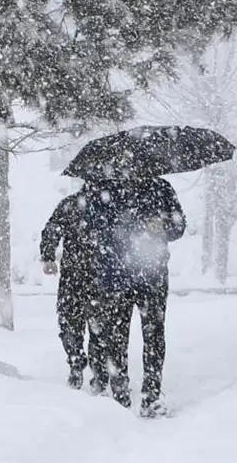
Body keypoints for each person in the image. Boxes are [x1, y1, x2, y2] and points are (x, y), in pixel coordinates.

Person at [86, 176, 185, 418]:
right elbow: (91, 227)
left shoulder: (161, 188)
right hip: (117, 275)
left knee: (153, 335)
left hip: (152, 276)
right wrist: (121, 230)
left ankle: (151, 396)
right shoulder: (104, 190)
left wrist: (163, 226)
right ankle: (120, 395)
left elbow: (179, 226)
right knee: (116, 337)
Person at [39, 187, 107, 394]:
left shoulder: (72, 204)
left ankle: (79, 364)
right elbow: (53, 229)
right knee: (97, 326)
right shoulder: (107, 205)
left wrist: (49, 255)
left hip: (78, 274)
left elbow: (52, 228)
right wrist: (48, 255)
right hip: (97, 275)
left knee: (72, 324)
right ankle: (94, 370)